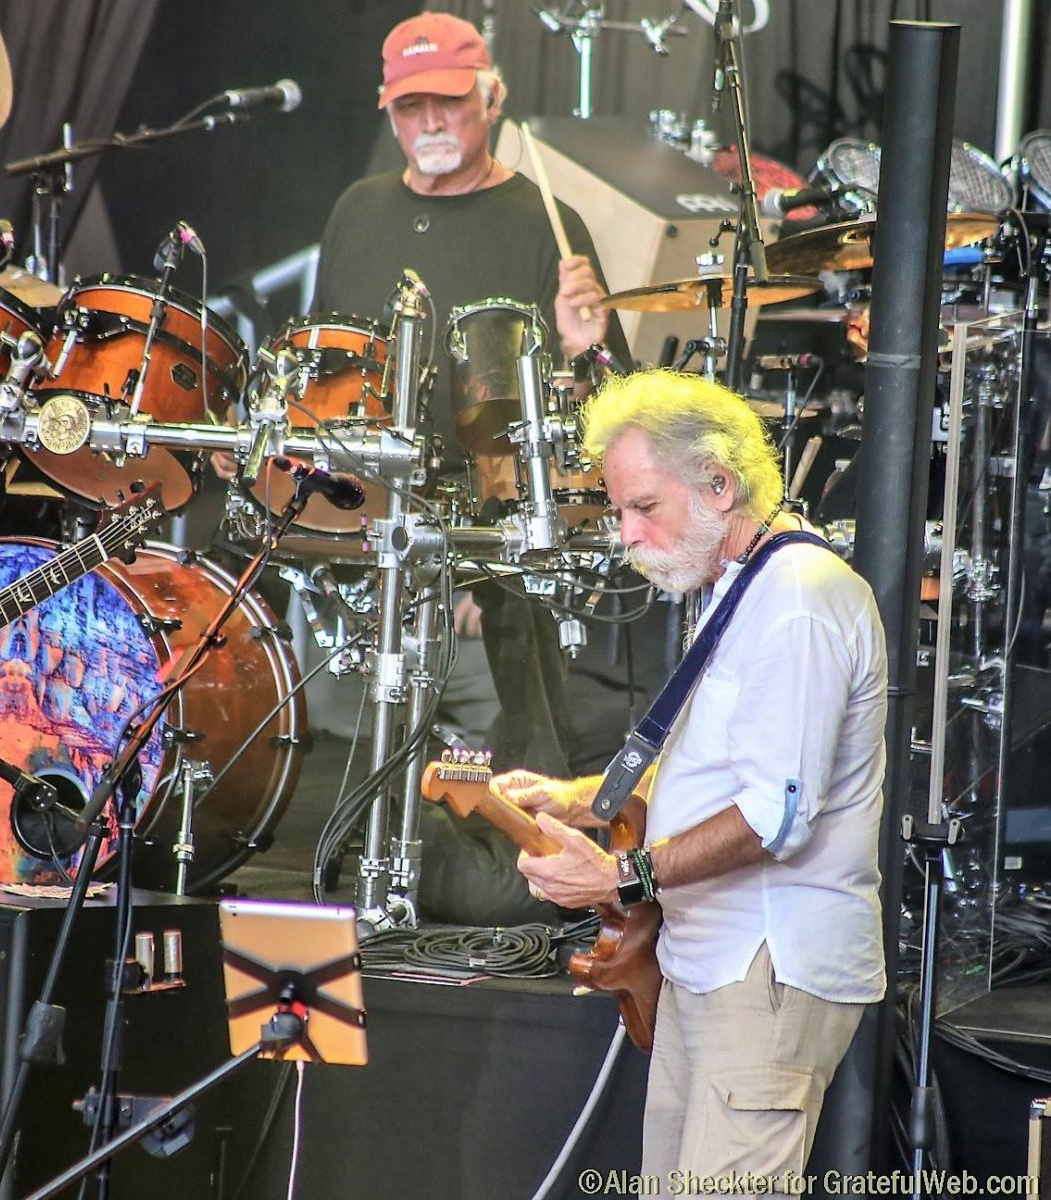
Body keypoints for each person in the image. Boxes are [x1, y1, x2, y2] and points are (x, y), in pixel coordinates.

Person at [496, 369, 887, 1183]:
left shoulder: (799, 597)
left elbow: (774, 816)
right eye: (619, 511)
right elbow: (710, 769)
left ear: (720, 483)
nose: (626, 535)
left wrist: (619, 875)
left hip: (767, 968)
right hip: (710, 963)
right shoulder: (742, 590)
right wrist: (581, 799)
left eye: (645, 508)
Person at [314, 11, 631, 922]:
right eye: (409, 107)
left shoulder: (545, 221)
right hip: (377, 527)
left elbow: (592, 419)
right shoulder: (357, 210)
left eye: (447, 102)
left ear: (489, 96)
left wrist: (582, 350)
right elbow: (332, 382)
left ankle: (500, 872)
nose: (429, 124)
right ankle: (378, 859)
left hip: (496, 545)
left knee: (505, 857)